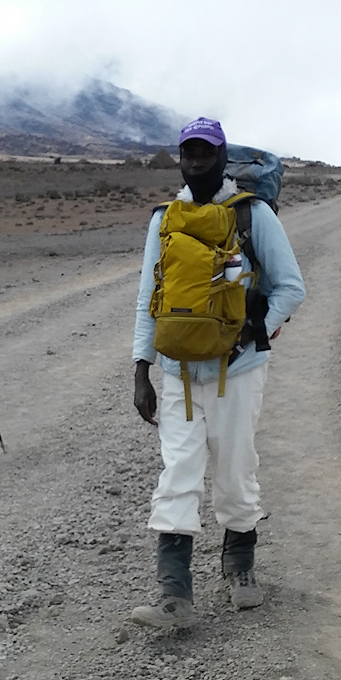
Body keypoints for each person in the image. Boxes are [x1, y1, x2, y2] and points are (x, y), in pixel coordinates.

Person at [130, 117, 306, 628]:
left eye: (206, 153)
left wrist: (259, 329)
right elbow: (148, 299)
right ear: (180, 159)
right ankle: (174, 597)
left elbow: (291, 286)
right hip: (178, 372)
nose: (196, 161)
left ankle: (240, 567)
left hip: (239, 368)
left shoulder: (252, 215)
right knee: (177, 473)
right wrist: (141, 367)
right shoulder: (164, 218)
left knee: (234, 467)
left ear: (223, 158)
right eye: (189, 153)